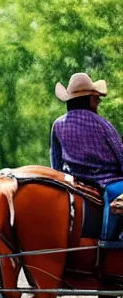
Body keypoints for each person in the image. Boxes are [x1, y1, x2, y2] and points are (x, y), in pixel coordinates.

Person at [50, 72, 123, 241]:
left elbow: (56, 162)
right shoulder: (102, 124)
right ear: (88, 99)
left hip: (74, 179)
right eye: (96, 98)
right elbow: (120, 155)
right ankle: (109, 239)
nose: (98, 101)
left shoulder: (58, 124)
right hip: (108, 181)